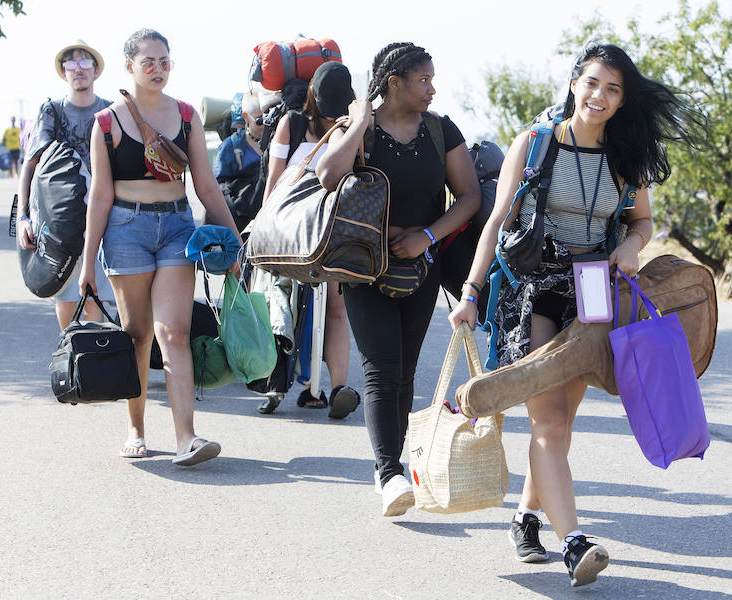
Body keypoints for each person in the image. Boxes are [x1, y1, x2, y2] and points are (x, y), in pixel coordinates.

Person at [448, 43, 704, 587]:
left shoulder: (626, 157)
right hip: (535, 287)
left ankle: (525, 517)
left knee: (561, 424)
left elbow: (642, 222)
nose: (600, 96)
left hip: (593, 291)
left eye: (612, 89)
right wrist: (470, 292)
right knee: (551, 422)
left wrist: (633, 245)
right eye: (592, 83)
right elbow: (496, 222)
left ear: (621, 99)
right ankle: (573, 543)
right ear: (573, 84)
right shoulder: (536, 145)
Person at [316, 43, 480, 516]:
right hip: (364, 266)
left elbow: (468, 197)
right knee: (381, 368)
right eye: (423, 79)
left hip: (420, 267)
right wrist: (359, 121)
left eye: (432, 79)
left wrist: (427, 237)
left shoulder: (439, 129)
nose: (432, 88)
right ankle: (387, 472)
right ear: (394, 83)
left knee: (405, 370)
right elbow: (328, 175)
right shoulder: (359, 127)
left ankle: (397, 463)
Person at [79, 28, 243, 466]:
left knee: (175, 332)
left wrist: (234, 243)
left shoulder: (186, 116)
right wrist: (87, 261)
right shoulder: (107, 123)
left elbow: (207, 188)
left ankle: (186, 437)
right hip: (124, 229)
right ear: (129, 66)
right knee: (137, 334)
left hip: (175, 227)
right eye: (148, 61)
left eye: (164, 61)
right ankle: (135, 428)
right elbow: (99, 196)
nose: (157, 69)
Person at [265, 61, 361, 417]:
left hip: (331, 232)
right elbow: (273, 183)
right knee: (283, 307)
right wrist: (264, 231)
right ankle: (278, 382)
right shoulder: (291, 124)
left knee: (336, 310)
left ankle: (336, 387)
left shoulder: (349, 129)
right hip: (290, 231)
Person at [16, 40, 115, 329]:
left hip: (104, 217)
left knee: (97, 297)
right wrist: (23, 217)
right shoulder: (52, 111)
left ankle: (92, 364)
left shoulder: (111, 112)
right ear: (63, 72)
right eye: (71, 63)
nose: (79, 69)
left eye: (85, 62)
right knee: (66, 302)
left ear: (96, 71)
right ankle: (71, 361)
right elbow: (30, 165)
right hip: (60, 219)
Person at [211, 91, 263, 231]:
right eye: (260, 119)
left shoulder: (278, 143)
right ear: (246, 116)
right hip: (241, 222)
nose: (266, 123)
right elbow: (217, 187)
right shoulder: (231, 147)